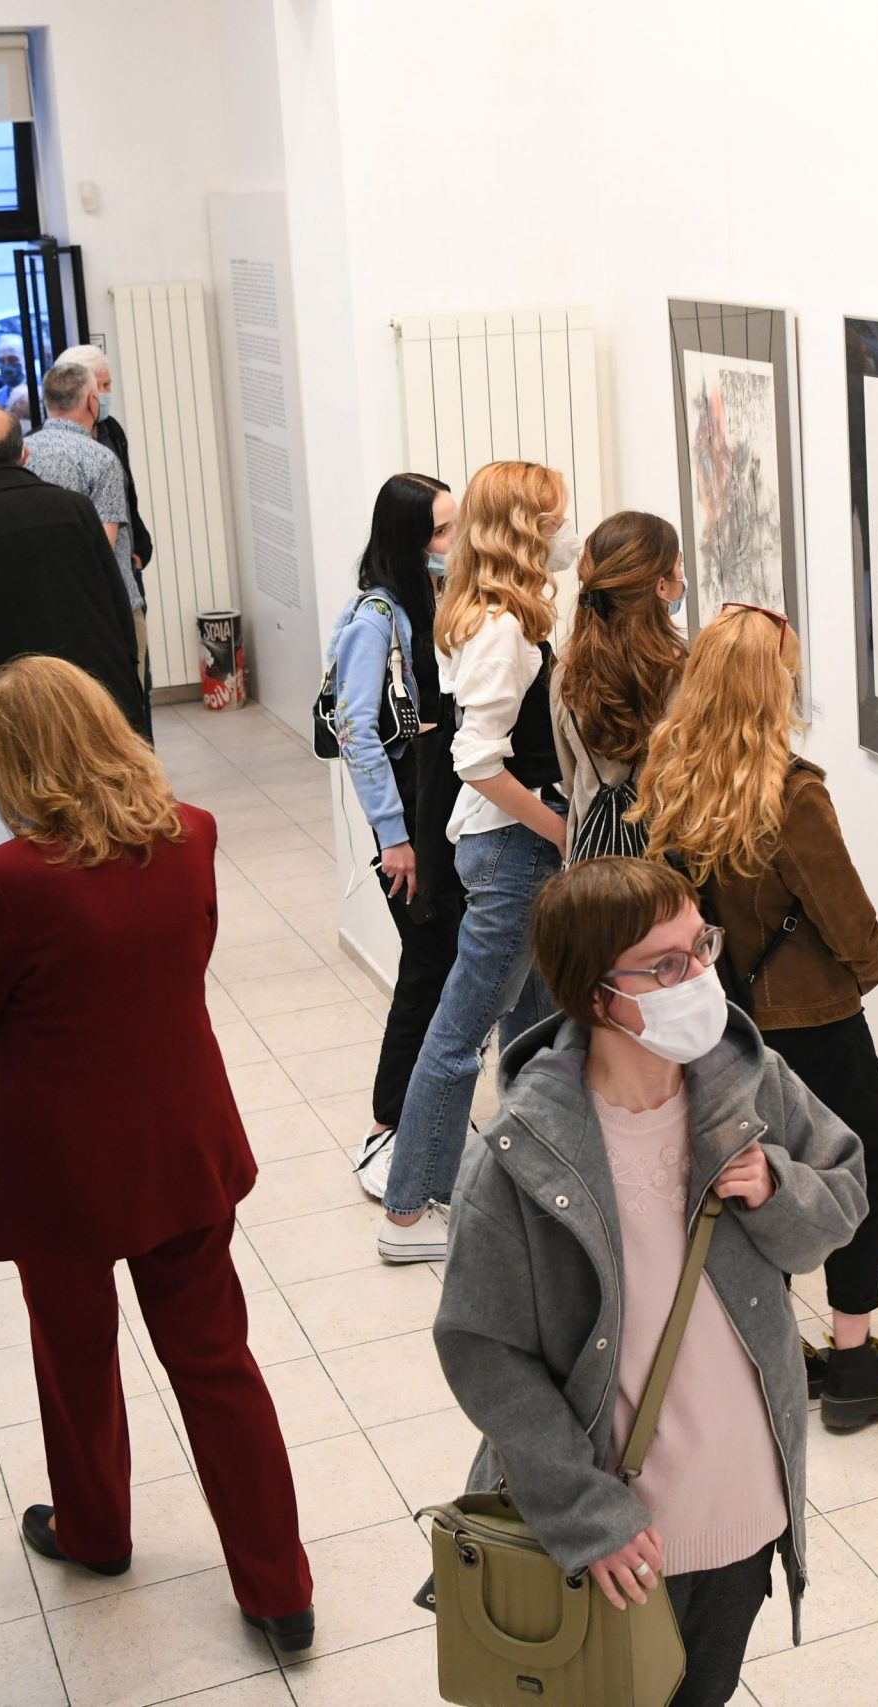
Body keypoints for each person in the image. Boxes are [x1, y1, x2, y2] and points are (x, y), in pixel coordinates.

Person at [0, 656, 316, 1651]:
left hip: (64, 1165)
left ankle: (96, 1529)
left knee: (76, 1356)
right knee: (216, 1363)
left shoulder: (9, 882)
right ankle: (279, 1587)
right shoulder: (192, 837)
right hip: (183, 1140)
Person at [434, 855, 866, 1707]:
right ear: (600, 997)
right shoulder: (519, 1154)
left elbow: (846, 1193)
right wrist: (586, 1515)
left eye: (699, 945)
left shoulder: (749, 1083)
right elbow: (483, 1350)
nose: (700, 975)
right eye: (667, 965)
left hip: (746, 1510)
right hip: (619, 1537)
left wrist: (778, 1188)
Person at [638, 605, 878, 1431]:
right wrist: (867, 968)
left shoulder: (668, 774)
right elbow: (851, 926)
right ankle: (853, 1358)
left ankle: (771, 1343)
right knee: (857, 1170)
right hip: (815, 1022)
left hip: (721, 1023)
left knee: (753, 1177)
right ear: (775, 689)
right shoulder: (791, 794)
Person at [377, 459, 578, 1263]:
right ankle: (408, 1208)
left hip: (509, 850)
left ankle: (519, 1188)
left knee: (528, 1031)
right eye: (554, 518)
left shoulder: (497, 617)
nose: (567, 532)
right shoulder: (501, 630)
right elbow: (477, 758)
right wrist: (558, 829)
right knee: (461, 1032)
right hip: (513, 854)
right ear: (525, 531)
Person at [324, 474, 463, 1199]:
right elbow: (356, 732)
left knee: (437, 963)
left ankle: (415, 1113)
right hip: (408, 828)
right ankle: (387, 1122)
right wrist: (394, 839)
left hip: (435, 813)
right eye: (441, 531)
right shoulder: (376, 615)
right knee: (426, 964)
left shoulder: (425, 601)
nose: (452, 542)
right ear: (410, 539)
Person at [0, 405, 144, 740]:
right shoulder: (75, 508)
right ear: (25, 454)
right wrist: (127, 672)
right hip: (94, 685)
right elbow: (116, 597)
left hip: (14, 706)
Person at [551, 509, 688, 850]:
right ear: (660, 586)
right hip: (667, 860)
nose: (682, 578)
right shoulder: (685, 673)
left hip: (593, 865)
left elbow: (571, 780)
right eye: (679, 566)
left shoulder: (566, 674)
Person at [20, 362, 147, 688]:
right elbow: (103, 544)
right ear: (92, 401)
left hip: (43, 606)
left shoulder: (22, 454)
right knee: (121, 710)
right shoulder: (100, 458)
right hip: (106, 606)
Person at [55, 343, 155, 577]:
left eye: (108, 383)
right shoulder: (45, 442)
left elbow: (127, 494)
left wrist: (140, 548)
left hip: (126, 571)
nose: (108, 393)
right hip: (80, 576)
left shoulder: (111, 429)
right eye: (103, 386)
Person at [0, 333, 28, 407]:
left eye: (12, 359)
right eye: (1, 361)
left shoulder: (41, 392)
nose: (7, 365)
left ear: (25, 358)